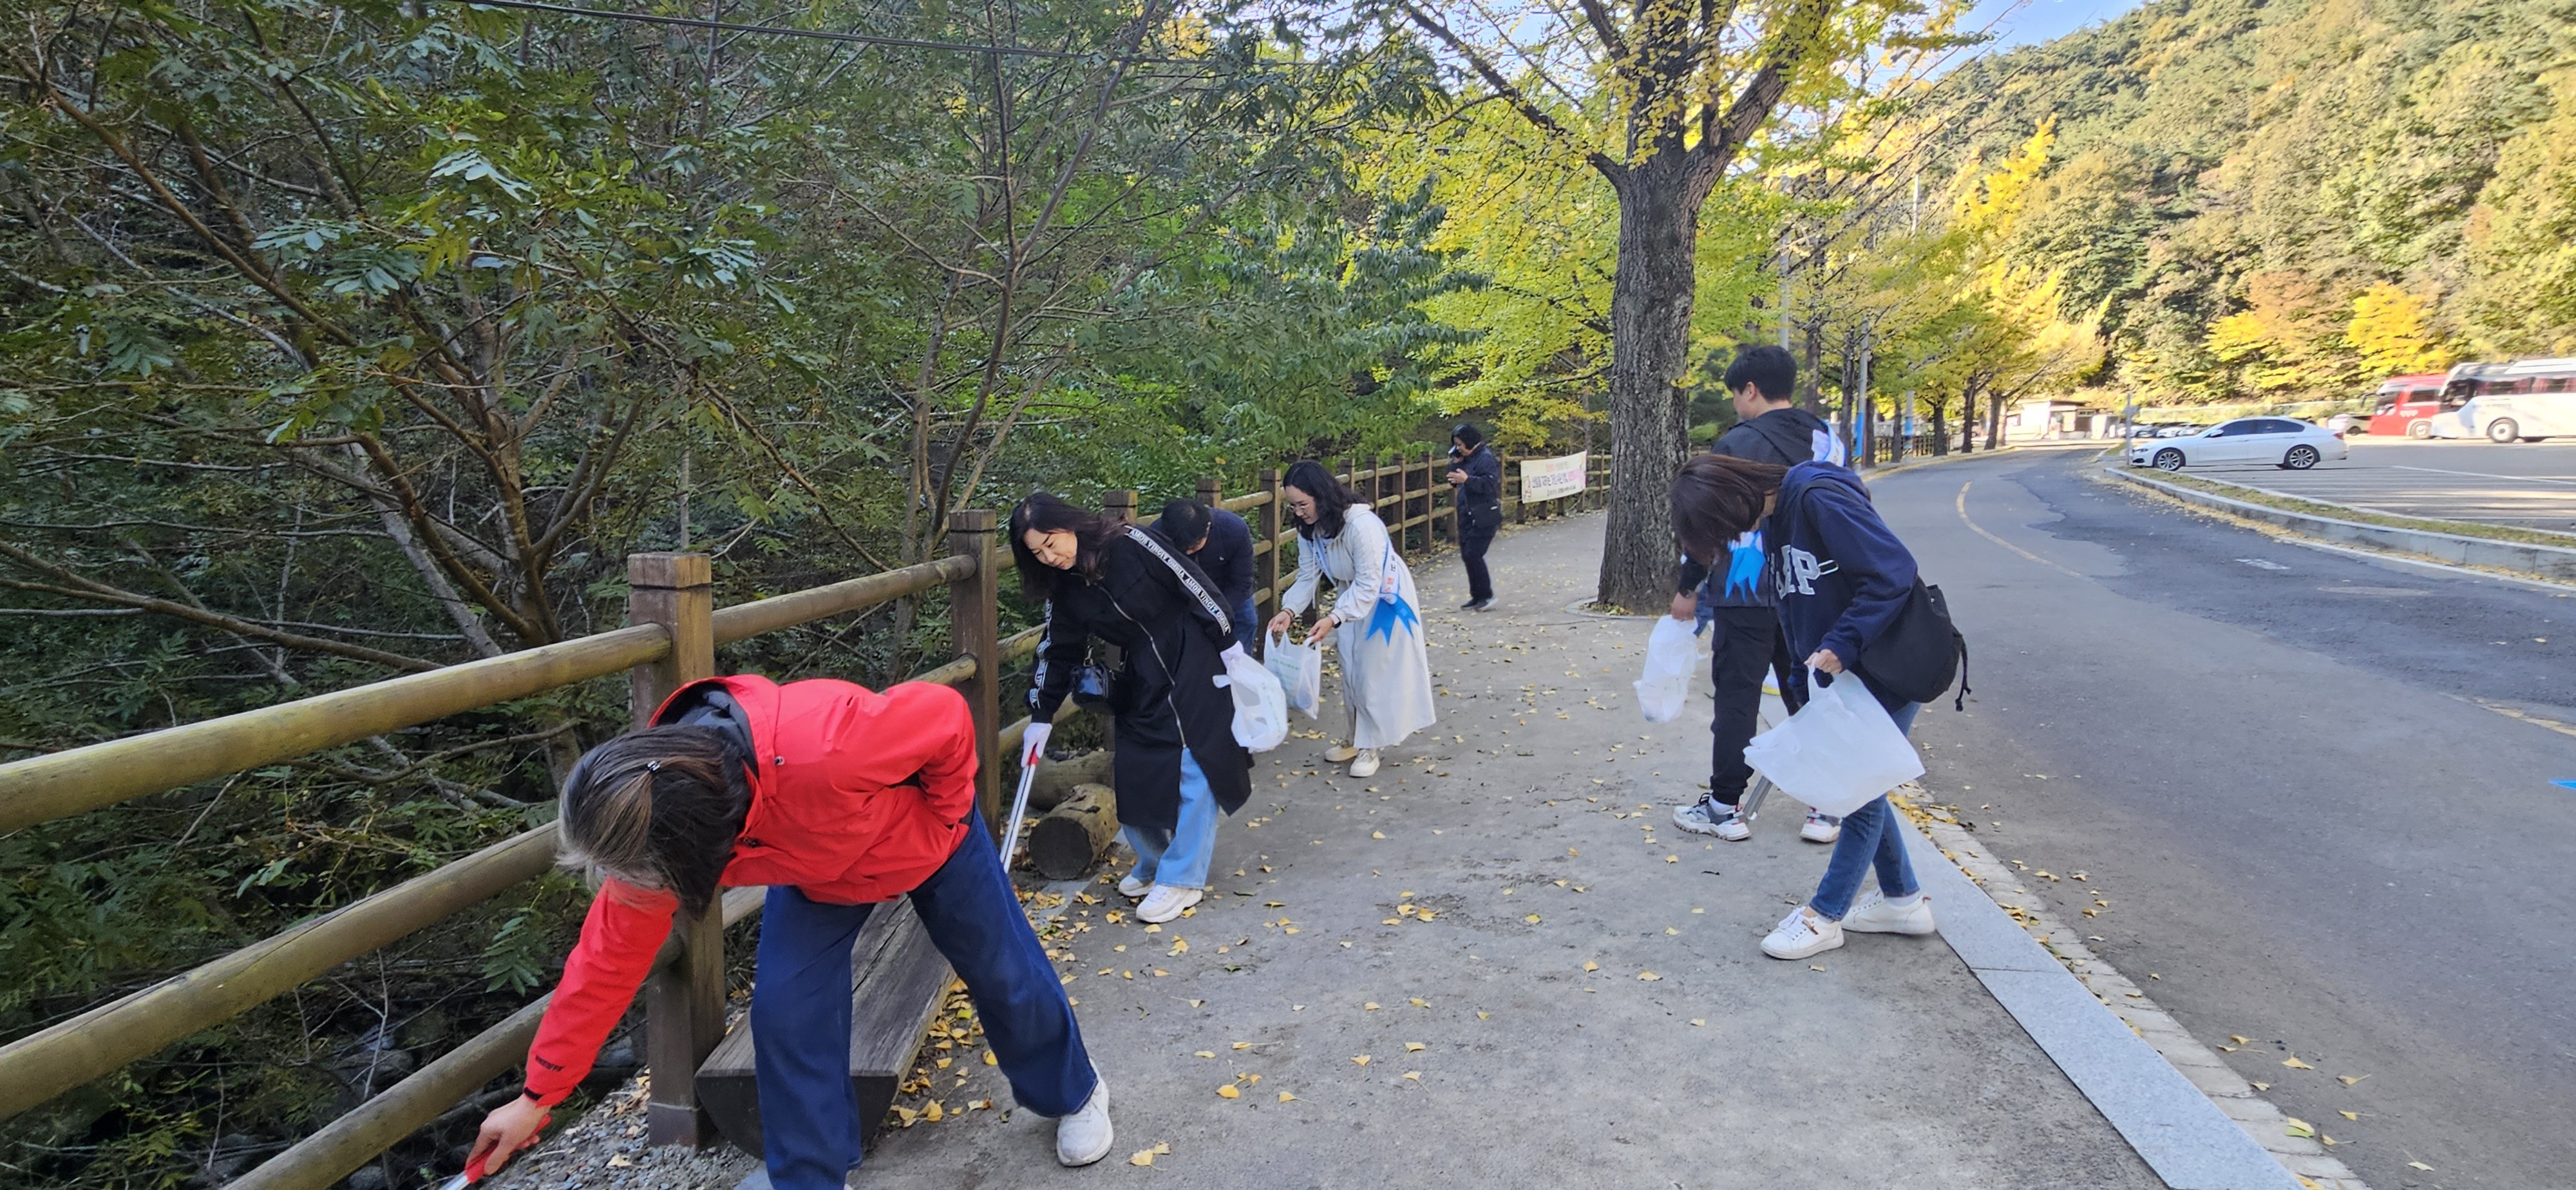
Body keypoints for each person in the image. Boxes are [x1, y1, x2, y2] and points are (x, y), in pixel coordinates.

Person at [466, 676, 1113, 1187]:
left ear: (700, 838)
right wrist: (538, 1095)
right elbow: (604, 963)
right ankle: (812, 1175)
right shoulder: (649, 826)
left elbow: (942, 714)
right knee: (785, 1010)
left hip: (928, 842)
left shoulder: (824, 746)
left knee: (1003, 971)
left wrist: (944, 819)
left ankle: (1075, 1093)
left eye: (649, 879)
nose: (638, 887)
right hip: (814, 874)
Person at [1669, 452, 1938, 961]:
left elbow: (1894, 571)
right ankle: (1903, 900)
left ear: (1734, 499)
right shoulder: (1778, 518)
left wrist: (1842, 642)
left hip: (1892, 662)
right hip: (1851, 672)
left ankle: (1825, 916)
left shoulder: (1817, 496)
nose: (1731, 537)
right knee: (1864, 785)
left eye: (1722, 525)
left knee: (1856, 789)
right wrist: (1799, 678)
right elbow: (1792, 606)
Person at [1015, 493, 1251, 924]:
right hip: (1142, 668)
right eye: (1037, 553)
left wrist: (1229, 645)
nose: (1050, 557)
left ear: (1071, 526)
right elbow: (1057, 651)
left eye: (1052, 543)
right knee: (1136, 765)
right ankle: (1157, 861)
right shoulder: (1063, 588)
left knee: (1196, 761)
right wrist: (1041, 716)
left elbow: (1192, 581)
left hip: (1192, 652)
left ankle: (1182, 878)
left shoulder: (1130, 541)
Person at [1670, 344, 1848, 847]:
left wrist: (1688, 587)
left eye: (1735, 394)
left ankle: (1725, 807)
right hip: (1811, 590)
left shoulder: (1735, 444)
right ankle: (1827, 807)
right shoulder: (1828, 440)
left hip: (1744, 590)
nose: (1735, 404)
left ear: (1750, 390)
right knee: (1810, 696)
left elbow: (1706, 527)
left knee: (1737, 698)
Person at [1267, 460, 1436, 779]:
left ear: (1321, 496)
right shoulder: (1310, 529)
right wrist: (1289, 610)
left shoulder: (1362, 525)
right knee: (1350, 666)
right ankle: (1354, 736)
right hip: (1349, 594)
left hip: (1385, 596)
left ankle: (1371, 744)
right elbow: (1308, 574)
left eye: (1303, 504)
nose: (1298, 512)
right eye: (1293, 506)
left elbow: (1370, 582)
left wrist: (1334, 617)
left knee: (1373, 671)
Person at [1152, 498, 1259, 650]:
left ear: (1208, 528)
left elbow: (1241, 583)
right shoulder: (1158, 533)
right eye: (1183, 547)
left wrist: (1217, 615)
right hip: (1183, 596)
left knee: (1246, 622)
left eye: (1194, 546)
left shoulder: (1234, 530)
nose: (1188, 552)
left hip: (1229, 594)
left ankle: (1240, 664)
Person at [1446, 423, 1503, 611]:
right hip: (1466, 513)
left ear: (1470, 441)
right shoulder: (1467, 459)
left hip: (1483, 515)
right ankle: (1477, 596)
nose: (1459, 448)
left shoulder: (1486, 458)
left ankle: (1486, 595)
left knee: (1474, 554)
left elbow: (1489, 485)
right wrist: (1456, 464)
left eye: (1460, 444)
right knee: (1467, 555)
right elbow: (1456, 481)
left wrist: (1468, 480)